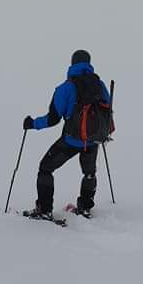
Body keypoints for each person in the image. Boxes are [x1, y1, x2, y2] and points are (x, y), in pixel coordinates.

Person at [21, 49, 112, 219]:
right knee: (89, 173)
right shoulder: (100, 85)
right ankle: (85, 208)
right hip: (93, 140)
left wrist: (32, 123)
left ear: (72, 63)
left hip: (71, 140)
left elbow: (52, 119)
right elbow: (107, 110)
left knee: (45, 168)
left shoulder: (66, 88)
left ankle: (44, 209)